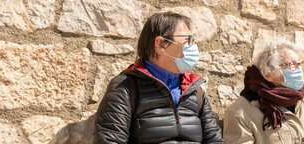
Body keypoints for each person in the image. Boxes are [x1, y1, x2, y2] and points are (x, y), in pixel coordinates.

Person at [95, 11, 224, 143]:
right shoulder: (125, 87)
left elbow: (214, 140)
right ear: (161, 44)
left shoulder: (195, 91)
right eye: (187, 41)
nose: (193, 47)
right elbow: (110, 140)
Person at [223, 40, 304, 144]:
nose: (299, 70)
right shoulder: (241, 112)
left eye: (300, 64)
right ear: (268, 74)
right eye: (291, 65)